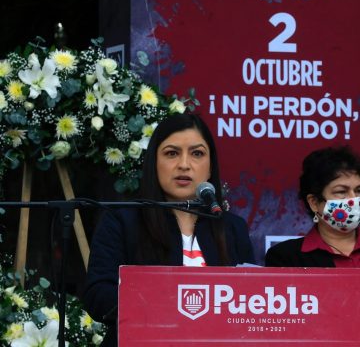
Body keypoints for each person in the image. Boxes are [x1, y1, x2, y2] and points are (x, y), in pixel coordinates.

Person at [83, 113, 255, 346]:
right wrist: (163, 304)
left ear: (210, 165)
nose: (184, 164)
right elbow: (98, 295)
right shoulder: (122, 220)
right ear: (154, 162)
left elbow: (251, 301)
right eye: (172, 153)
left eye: (197, 153)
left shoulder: (232, 227)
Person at [265, 145, 360, 267]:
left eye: (358, 190)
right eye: (341, 191)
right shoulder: (285, 257)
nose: (353, 199)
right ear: (314, 202)